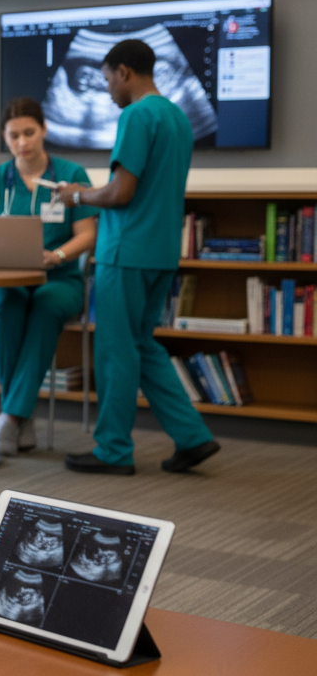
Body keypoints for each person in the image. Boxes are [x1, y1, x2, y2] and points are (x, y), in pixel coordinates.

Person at [54, 39, 220, 475]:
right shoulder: (178, 118)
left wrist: (76, 196)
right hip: (162, 250)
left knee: (115, 351)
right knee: (143, 346)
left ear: (124, 72)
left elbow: (119, 192)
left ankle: (112, 450)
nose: (107, 89)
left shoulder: (136, 115)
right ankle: (193, 437)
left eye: (108, 79)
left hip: (125, 252)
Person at [0, 97, 98, 455]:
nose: (22, 142)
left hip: (59, 279)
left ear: (44, 130)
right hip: (2, 279)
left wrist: (58, 255)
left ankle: (9, 416)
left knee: (46, 306)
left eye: (29, 132)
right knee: (5, 305)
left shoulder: (71, 176)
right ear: (5, 138)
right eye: (13, 136)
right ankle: (20, 415)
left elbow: (88, 233)